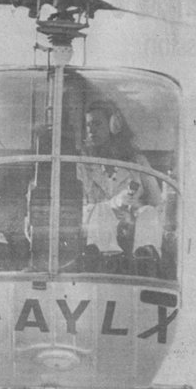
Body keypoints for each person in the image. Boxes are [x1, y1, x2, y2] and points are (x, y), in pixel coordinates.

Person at [78, 101, 163, 272]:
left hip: (130, 223)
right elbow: (79, 207)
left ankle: (145, 260)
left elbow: (157, 202)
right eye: (88, 125)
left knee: (149, 213)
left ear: (114, 126)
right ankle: (107, 263)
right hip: (95, 226)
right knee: (102, 211)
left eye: (97, 124)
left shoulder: (137, 162)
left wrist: (133, 213)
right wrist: (113, 204)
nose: (91, 130)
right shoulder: (81, 164)